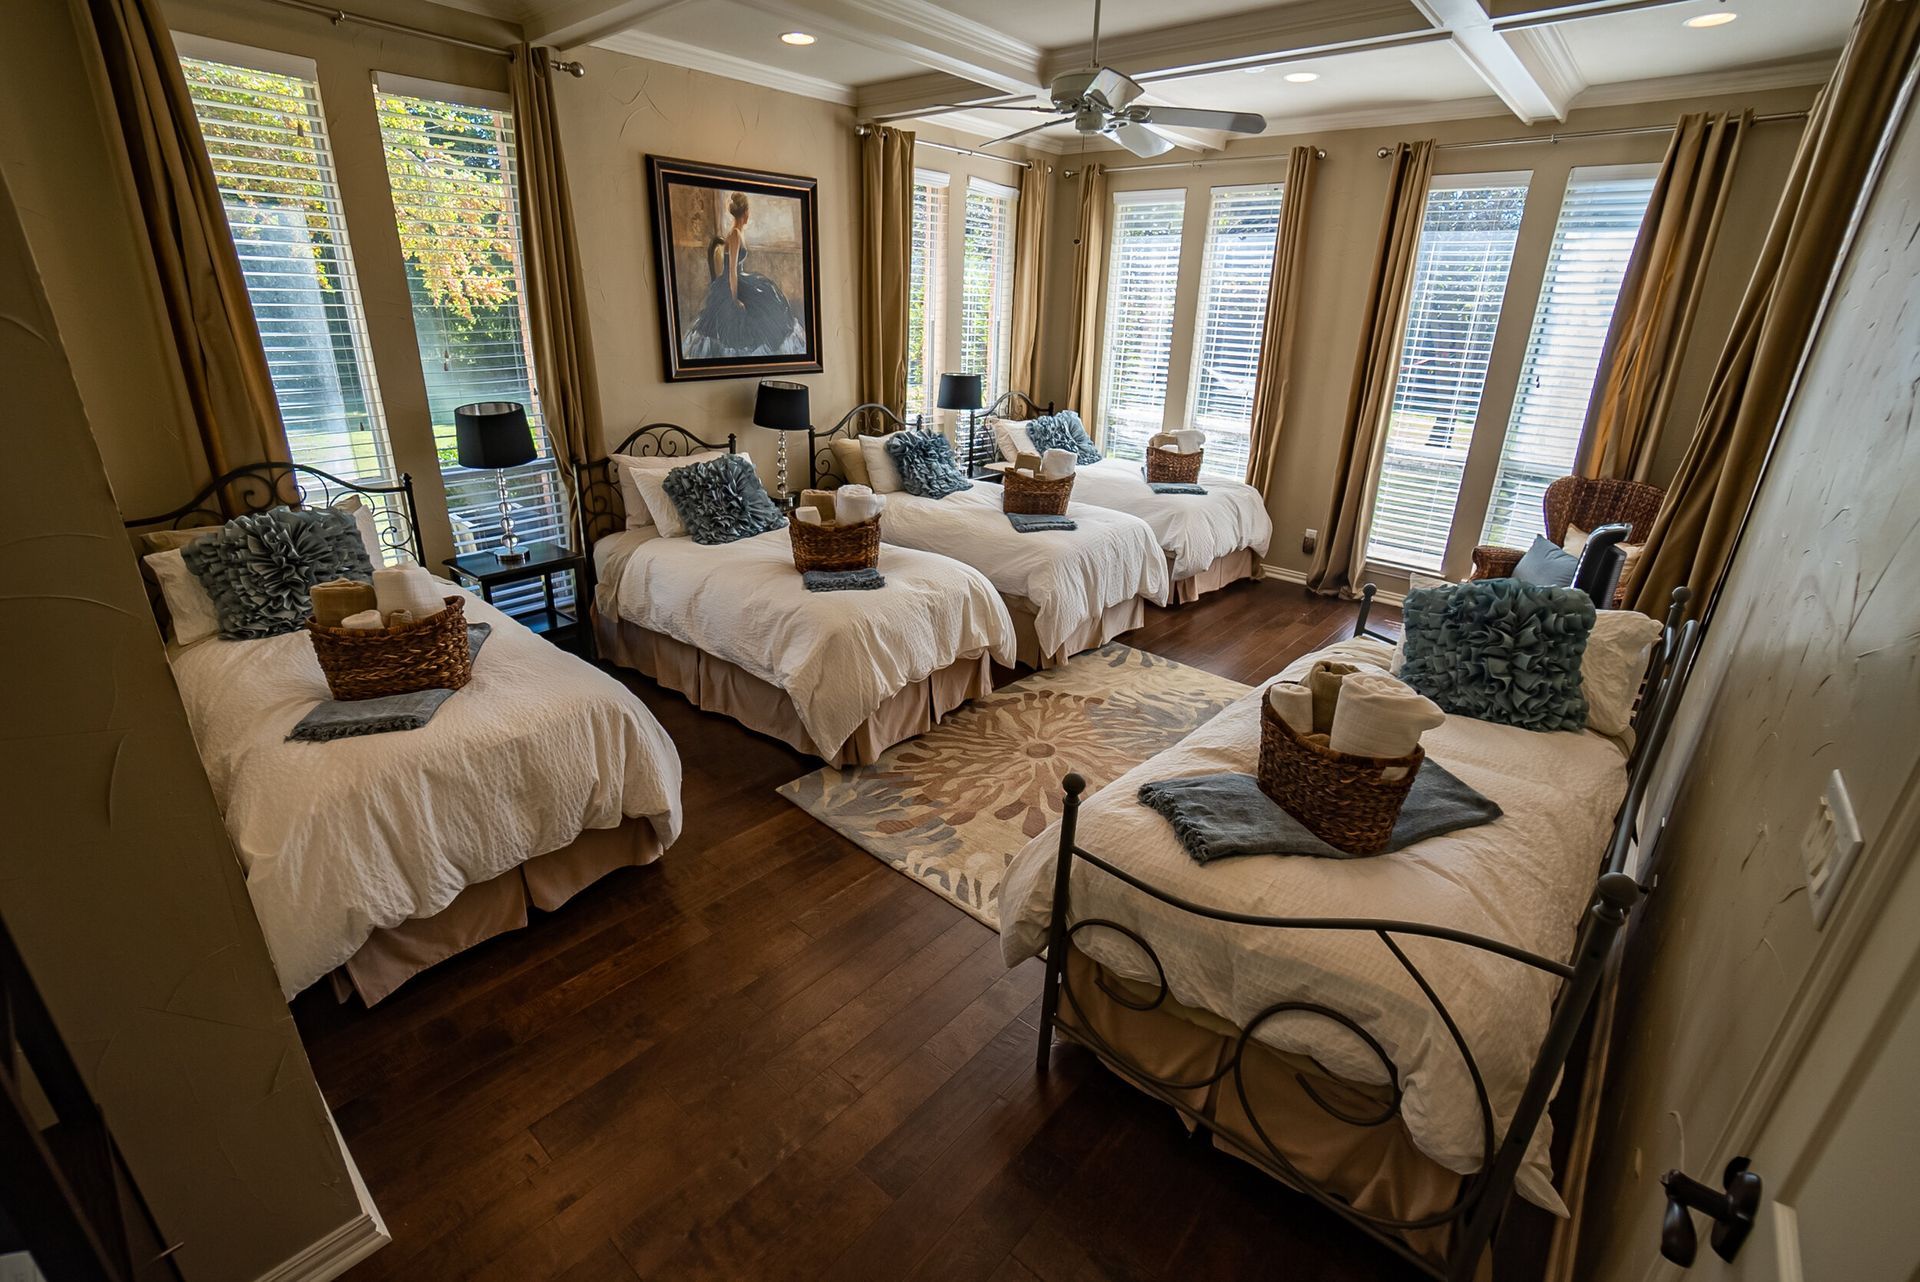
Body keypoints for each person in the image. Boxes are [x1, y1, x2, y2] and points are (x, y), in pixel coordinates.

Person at [683, 192, 806, 359]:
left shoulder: (739, 233)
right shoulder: (734, 234)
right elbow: (732, 271)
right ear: (745, 212)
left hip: (739, 279)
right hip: (731, 283)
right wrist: (734, 299)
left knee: (769, 297)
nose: (749, 215)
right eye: (748, 212)